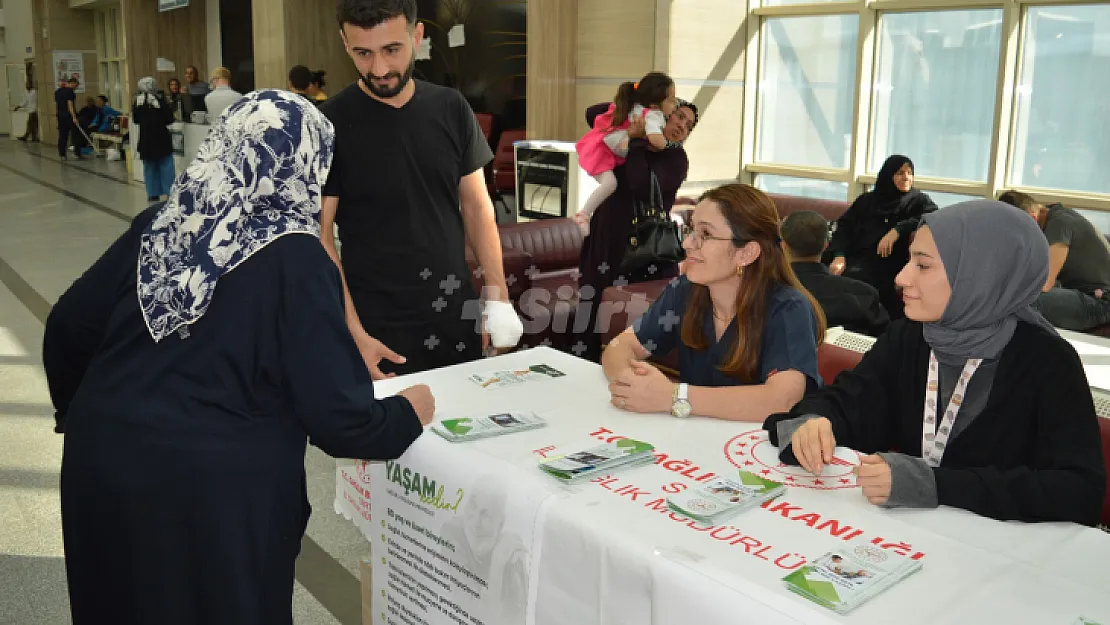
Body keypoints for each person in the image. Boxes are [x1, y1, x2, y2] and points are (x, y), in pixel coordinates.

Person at [42, 90, 435, 625]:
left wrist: (89, 414)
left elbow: (67, 326)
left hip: (102, 467)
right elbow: (342, 421)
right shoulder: (297, 256)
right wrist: (410, 410)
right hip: (213, 499)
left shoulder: (163, 224)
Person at [767, 200, 1105, 525]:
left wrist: (937, 485)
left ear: (979, 275)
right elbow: (852, 401)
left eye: (923, 265)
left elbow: (1078, 491)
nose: (900, 278)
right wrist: (815, 422)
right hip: (916, 537)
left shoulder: (1047, 360)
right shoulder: (910, 336)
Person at [322, 0, 522, 376]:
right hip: (373, 324)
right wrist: (350, 330)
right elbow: (321, 236)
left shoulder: (451, 108)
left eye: (391, 50)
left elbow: (478, 208)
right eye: (363, 53)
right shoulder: (327, 124)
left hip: (453, 312)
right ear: (345, 44)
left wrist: (497, 298)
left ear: (417, 36)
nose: (379, 69)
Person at [602, 184, 825, 422]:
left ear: (746, 253)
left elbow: (781, 400)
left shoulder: (788, 308)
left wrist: (674, 396)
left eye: (705, 234)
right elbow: (620, 347)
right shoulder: (685, 291)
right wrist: (633, 384)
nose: (688, 243)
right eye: (690, 230)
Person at [574, 99, 698, 362]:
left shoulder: (675, 157)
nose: (682, 126)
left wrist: (637, 142)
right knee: (594, 298)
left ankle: (626, 366)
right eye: (678, 116)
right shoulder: (634, 130)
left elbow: (640, 184)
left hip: (645, 245)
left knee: (630, 310)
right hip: (608, 236)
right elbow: (592, 112)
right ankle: (586, 362)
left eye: (688, 125)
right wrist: (645, 107)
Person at [828, 155, 937, 319]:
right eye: (900, 172)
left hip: (885, 262)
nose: (906, 177)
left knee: (858, 281)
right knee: (821, 275)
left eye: (910, 172)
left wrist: (898, 229)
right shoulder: (867, 201)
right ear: (888, 175)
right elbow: (844, 227)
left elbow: (934, 216)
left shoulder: (917, 200)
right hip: (853, 256)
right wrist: (839, 255)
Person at [573, 72, 677, 236]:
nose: (675, 104)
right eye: (671, 99)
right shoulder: (652, 116)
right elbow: (656, 139)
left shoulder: (636, 107)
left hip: (603, 147)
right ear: (655, 103)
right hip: (602, 152)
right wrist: (668, 144)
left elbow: (592, 111)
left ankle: (584, 214)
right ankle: (584, 214)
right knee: (610, 184)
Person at [998, 190, 1110, 331]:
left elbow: (1045, 283)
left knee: (1023, 301)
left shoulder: (1059, 224)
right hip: (1077, 291)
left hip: (1100, 302)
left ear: (1032, 219)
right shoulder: (1050, 217)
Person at [782, 210, 889, 337]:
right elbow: (887, 341)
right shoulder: (864, 294)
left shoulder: (763, 291)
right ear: (826, 245)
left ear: (783, 246)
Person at [132, 77, 177, 202]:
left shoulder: (138, 102)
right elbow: (169, 119)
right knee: (166, 166)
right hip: (161, 138)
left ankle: (152, 193)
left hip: (146, 139)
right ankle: (169, 191)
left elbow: (135, 120)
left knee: (149, 167)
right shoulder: (160, 100)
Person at [55, 78, 83, 161]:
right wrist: (74, 117)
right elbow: (70, 104)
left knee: (62, 135)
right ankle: (77, 153)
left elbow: (58, 105)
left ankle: (62, 154)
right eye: (76, 86)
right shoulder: (70, 91)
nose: (75, 88)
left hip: (60, 116)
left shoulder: (58, 92)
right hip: (69, 116)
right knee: (76, 134)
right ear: (73, 83)